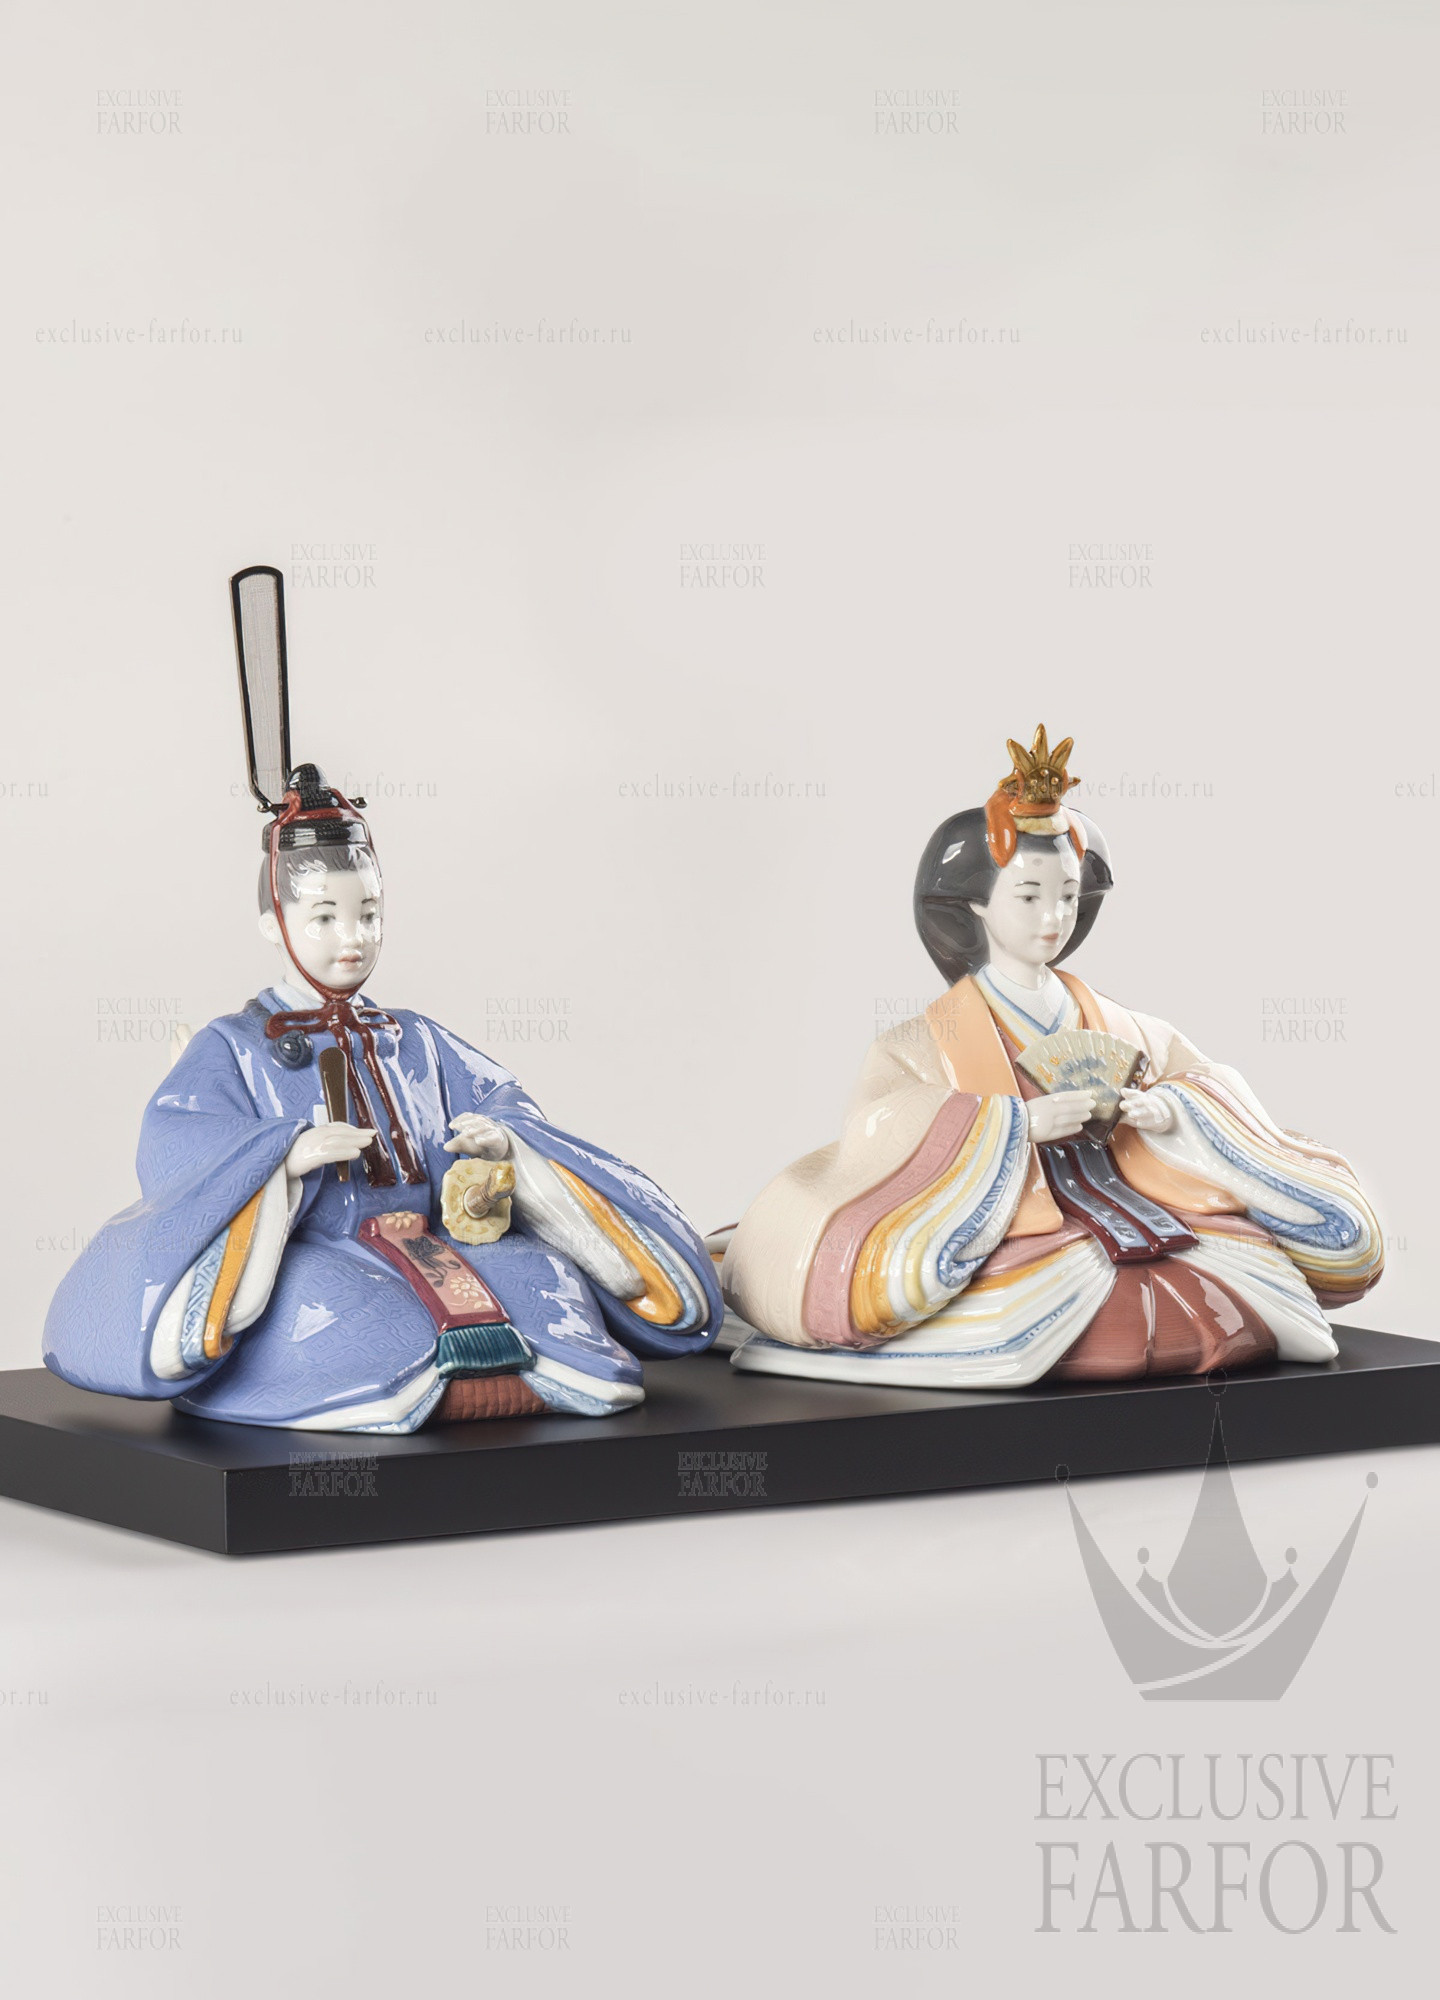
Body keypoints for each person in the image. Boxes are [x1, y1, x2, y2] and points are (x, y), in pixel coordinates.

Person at [44, 569, 720, 1431]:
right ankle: (402, 1383)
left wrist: (501, 1137)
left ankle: (525, 1370)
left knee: (540, 1277)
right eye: (324, 917)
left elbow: (502, 1099)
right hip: (321, 1250)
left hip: (435, 1237)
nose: (350, 938)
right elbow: (178, 1149)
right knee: (323, 1306)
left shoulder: (415, 1038)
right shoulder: (235, 1046)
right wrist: (284, 1154)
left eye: (367, 914)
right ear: (273, 921)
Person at [721, 727, 1382, 1387]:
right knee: (1024, 1310)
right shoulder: (926, 1039)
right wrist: (1011, 1127)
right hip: (1025, 1232)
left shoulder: (1122, 1024)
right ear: (976, 904)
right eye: (1029, 896)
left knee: (1262, 1282)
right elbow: (878, 1126)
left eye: (1067, 895)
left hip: (1149, 1216)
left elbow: (1206, 1079)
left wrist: (1174, 1112)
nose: (1053, 916)